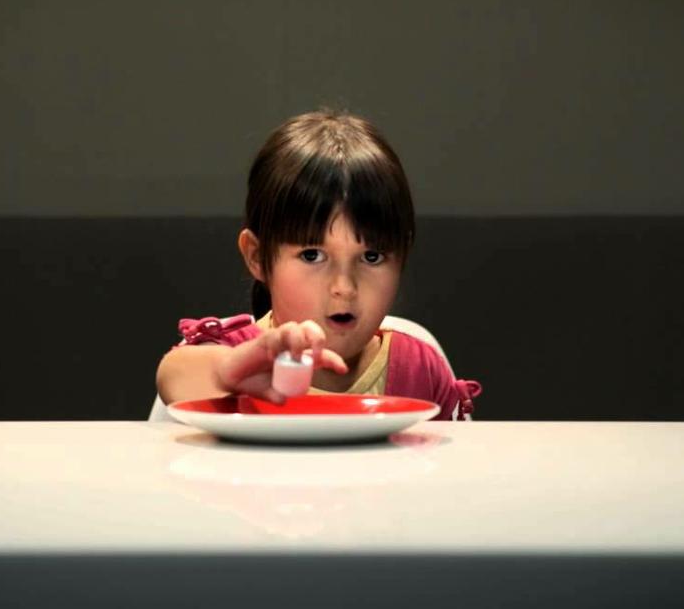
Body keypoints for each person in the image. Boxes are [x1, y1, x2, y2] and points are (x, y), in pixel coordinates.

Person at [155, 110, 481, 420]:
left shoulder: (421, 369)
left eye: (372, 257)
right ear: (256, 257)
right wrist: (228, 372)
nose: (344, 287)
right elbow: (175, 374)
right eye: (312, 255)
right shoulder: (234, 356)